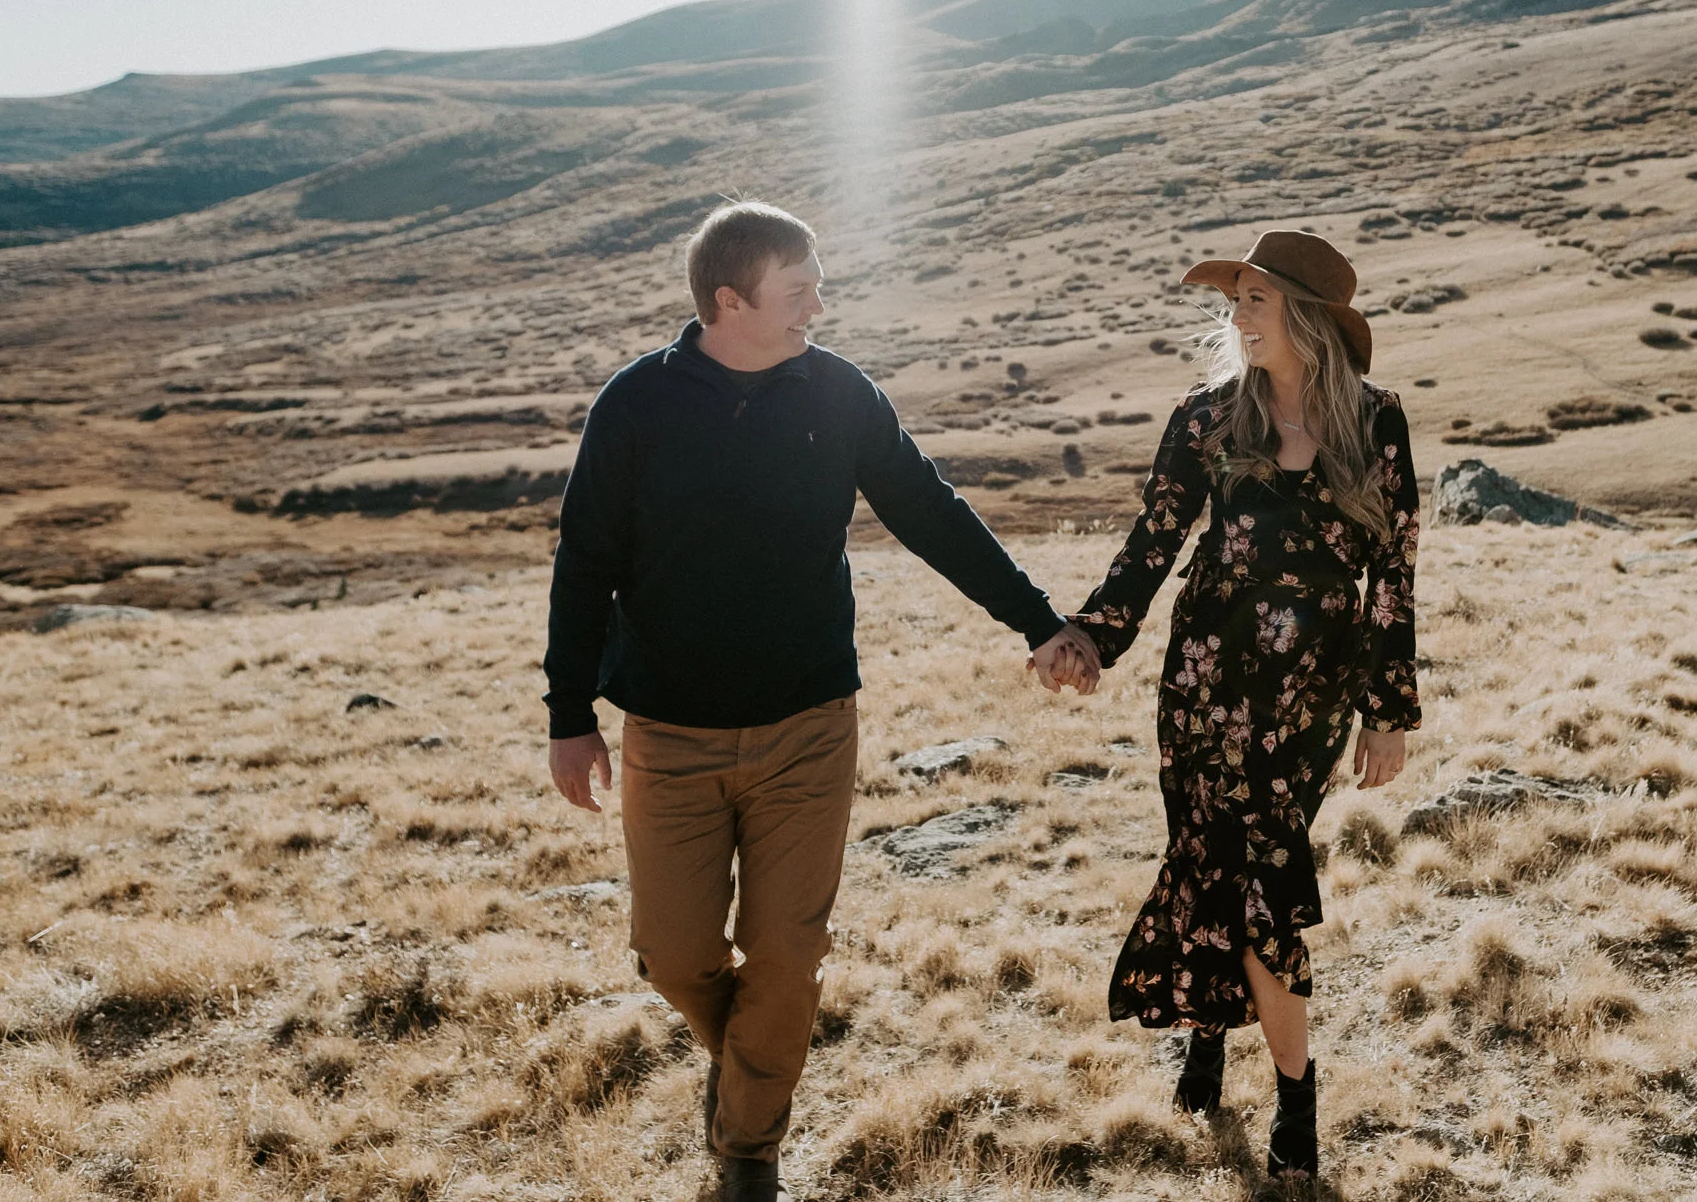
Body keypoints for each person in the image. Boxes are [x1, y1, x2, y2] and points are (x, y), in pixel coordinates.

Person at [543, 201, 1073, 1202]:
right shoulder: (637, 405)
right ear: (729, 301)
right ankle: (754, 1065)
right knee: (674, 954)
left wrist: (1036, 621)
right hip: (667, 731)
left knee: (787, 954)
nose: (818, 306)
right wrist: (568, 716)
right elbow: (585, 561)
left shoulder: (838, 394)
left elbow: (928, 511)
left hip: (808, 726)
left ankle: (748, 1150)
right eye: (799, 291)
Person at [1029, 228, 1420, 1181]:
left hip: (1306, 706)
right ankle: (1245, 1061)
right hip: (1205, 690)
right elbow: (1151, 545)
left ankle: (1278, 1082)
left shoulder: (1376, 422)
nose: (1236, 315)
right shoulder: (1207, 419)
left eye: (1255, 298)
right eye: (1234, 299)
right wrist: (1090, 635)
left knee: (1260, 890)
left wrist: (1387, 708)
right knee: (1221, 872)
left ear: (1309, 318)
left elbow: (1394, 577)